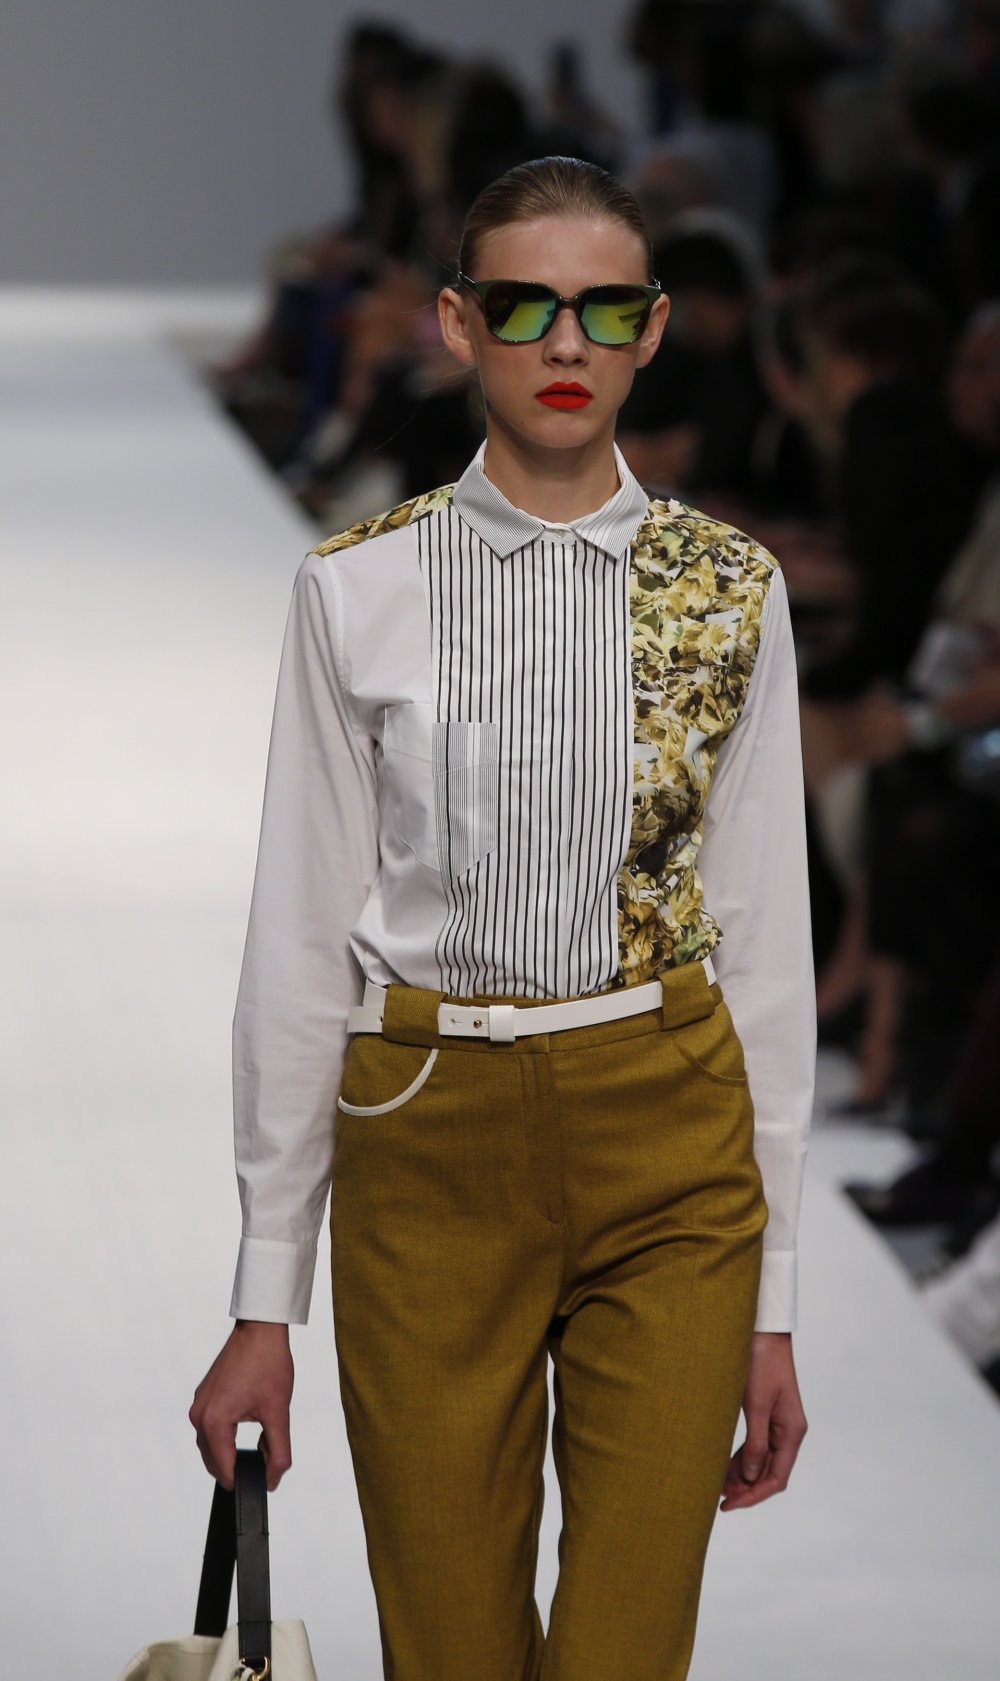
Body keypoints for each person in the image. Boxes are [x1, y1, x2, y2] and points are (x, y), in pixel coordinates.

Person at [190, 155, 815, 1681]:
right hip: (426, 1135)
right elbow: (300, 938)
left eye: (603, 308)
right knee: (452, 1654)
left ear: (653, 327)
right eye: (525, 307)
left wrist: (776, 1299)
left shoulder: (731, 588)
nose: (566, 342)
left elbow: (762, 941)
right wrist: (265, 1296)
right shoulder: (359, 589)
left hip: (670, 1139)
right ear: (461, 324)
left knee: (621, 1654)